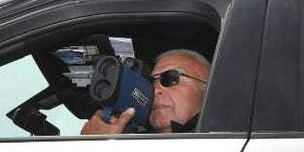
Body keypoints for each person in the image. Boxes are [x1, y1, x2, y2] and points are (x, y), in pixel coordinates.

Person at [80, 49, 210, 135]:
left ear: (207, 87)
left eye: (170, 78)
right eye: (151, 82)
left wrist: (95, 150)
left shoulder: (223, 145)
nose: (156, 90)